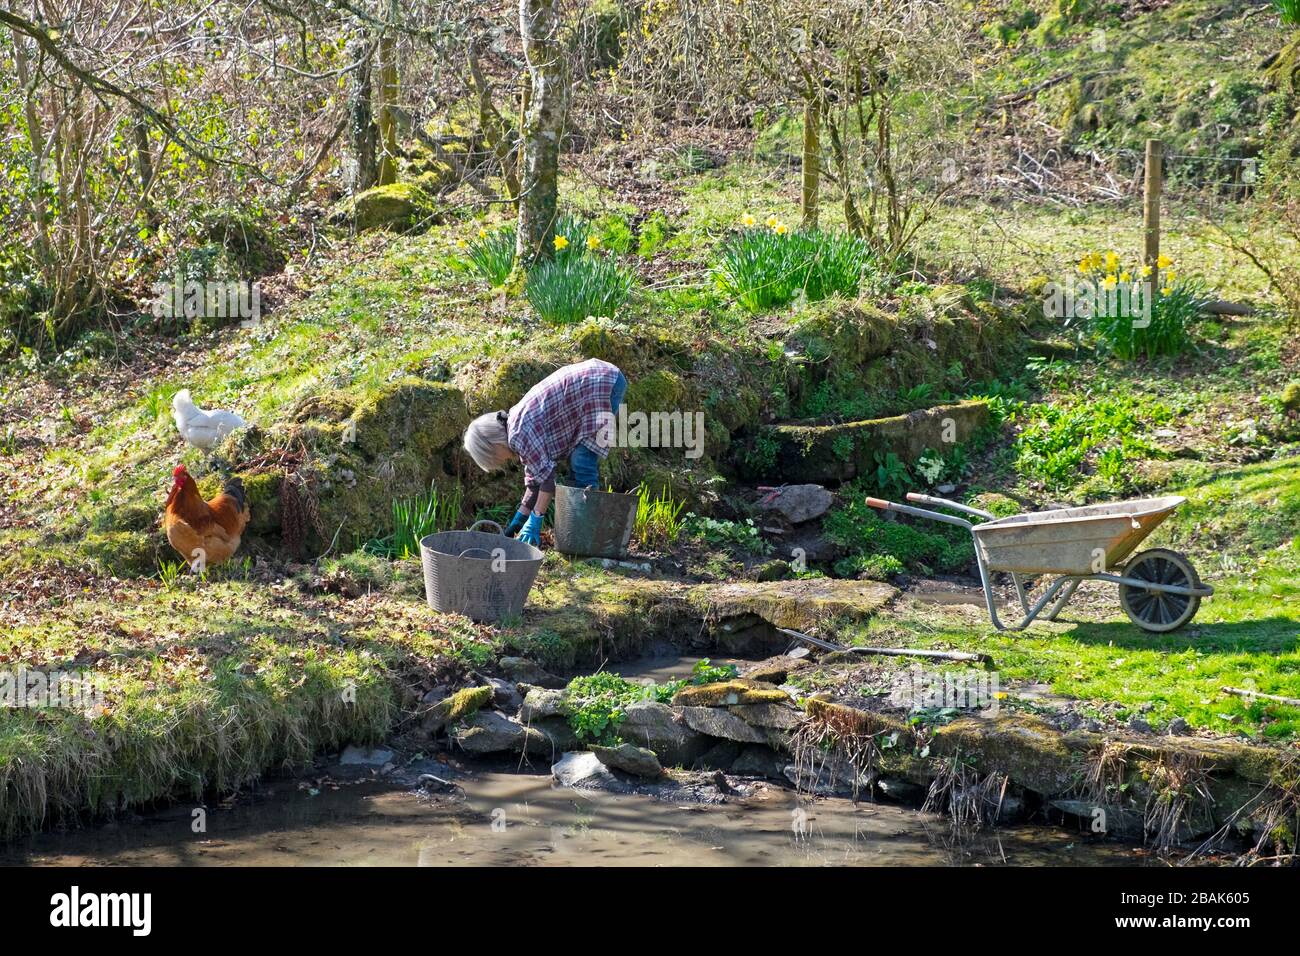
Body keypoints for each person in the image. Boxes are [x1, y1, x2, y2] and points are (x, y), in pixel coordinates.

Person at [462, 358, 628, 546]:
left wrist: (536, 518)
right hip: (596, 378)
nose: (500, 462)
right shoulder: (516, 425)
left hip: (601, 383)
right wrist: (518, 521)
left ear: (494, 445)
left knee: (582, 461)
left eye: (494, 458)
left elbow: (548, 480)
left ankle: (587, 538)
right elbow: (535, 482)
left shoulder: (518, 434)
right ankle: (576, 534)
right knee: (578, 461)